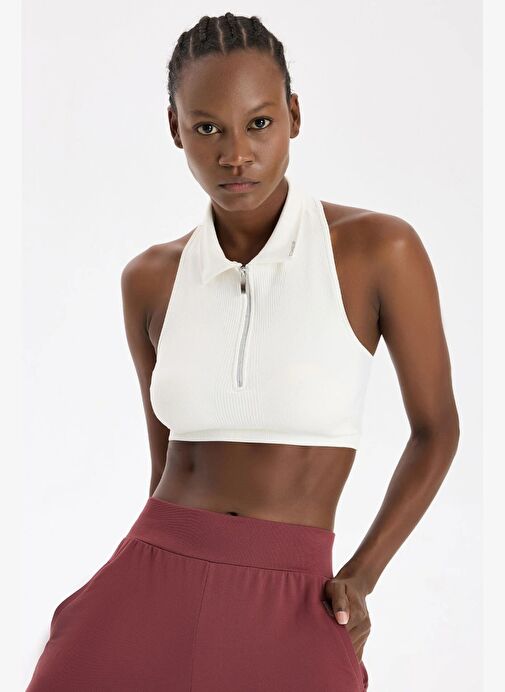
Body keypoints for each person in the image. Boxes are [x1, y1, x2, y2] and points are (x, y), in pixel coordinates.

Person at [26, 12, 460, 692]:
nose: (235, 154)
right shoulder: (150, 279)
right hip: (150, 575)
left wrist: (361, 575)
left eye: (258, 123)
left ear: (293, 116)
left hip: (296, 595)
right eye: (208, 128)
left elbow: (436, 431)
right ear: (175, 128)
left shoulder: (378, 250)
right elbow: (165, 460)